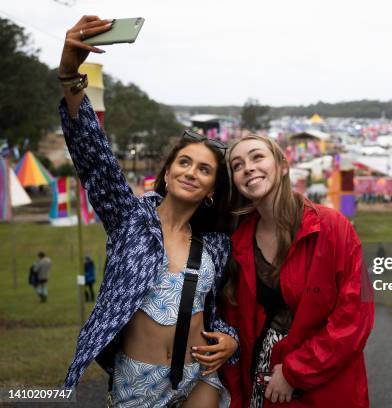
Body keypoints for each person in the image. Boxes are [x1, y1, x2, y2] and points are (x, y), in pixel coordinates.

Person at [59, 16, 238, 407]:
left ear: (211, 191)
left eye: (204, 169)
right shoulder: (131, 220)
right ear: (169, 171)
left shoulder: (217, 245)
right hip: (137, 383)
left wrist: (229, 339)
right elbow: (96, 161)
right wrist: (70, 75)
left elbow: (215, 310)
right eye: (185, 162)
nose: (192, 172)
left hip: (200, 377)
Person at [216, 134, 374, 407]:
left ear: (283, 165)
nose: (248, 168)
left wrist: (294, 372)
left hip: (324, 383)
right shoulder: (237, 241)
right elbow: (236, 317)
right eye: (237, 165)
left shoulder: (333, 227)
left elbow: (355, 316)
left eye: (257, 157)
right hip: (259, 381)